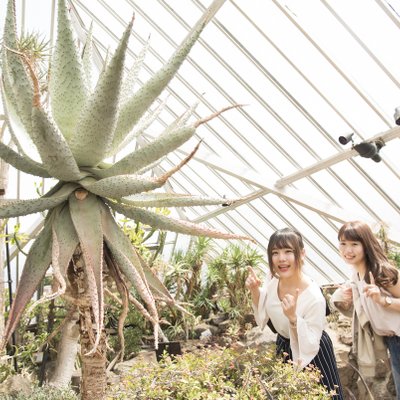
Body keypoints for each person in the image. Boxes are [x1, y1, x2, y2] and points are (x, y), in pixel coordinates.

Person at [246, 227, 344, 399]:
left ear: (302, 254)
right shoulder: (273, 280)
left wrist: (293, 317)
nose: (281, 258)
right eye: (275, 252)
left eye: (288, 251)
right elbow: (265, 303)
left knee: (324, 395)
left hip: (313, 352)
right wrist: (254, 289)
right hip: (285, 347)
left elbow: (312, 342)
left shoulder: (313, 296)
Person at [331, 220, 400, 399]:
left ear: (366, 244)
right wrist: (352, 295)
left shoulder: (381, 272)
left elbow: (382, 302)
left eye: (354, 244)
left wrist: (383, 300)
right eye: (343, 244)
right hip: (393, 341)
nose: (348, 250)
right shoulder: (357, 274)